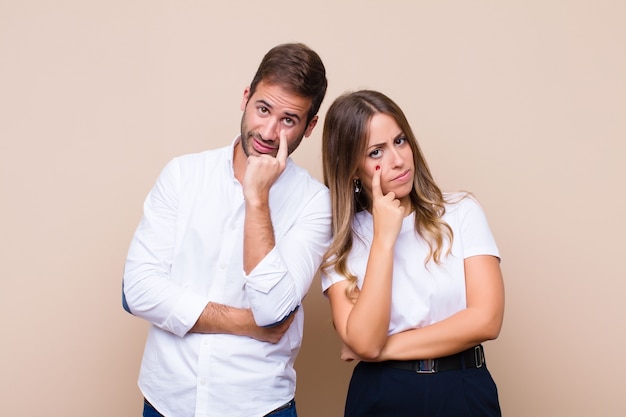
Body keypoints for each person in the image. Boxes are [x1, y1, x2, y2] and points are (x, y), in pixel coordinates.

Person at [122, 43, 330, 417]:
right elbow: (137, 290)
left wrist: (257, 199)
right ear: (246, 97)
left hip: (258, 405)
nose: (268, 131)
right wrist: (243, 324)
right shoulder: (183, 175)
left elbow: (271, 310)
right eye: (263, 109)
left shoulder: (315, 203)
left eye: (289, 119)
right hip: (167, 400)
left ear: (310, 126)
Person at [320, 90, 505, 417]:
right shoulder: (341, 243)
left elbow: (486, 320)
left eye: (400, 141)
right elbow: (364, 341)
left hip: (462, 388)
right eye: (376, 151)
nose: (397, 159)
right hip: (381, 393)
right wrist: (384, 240)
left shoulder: (461, 212)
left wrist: (382, 350)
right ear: (351, 169)